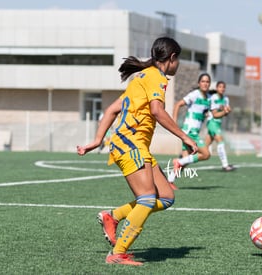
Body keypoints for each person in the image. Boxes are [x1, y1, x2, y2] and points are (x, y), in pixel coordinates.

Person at [77, 37, 198, 266]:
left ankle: (112, 216)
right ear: (172, 58)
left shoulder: (141, 78)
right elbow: (157, 111)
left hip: (133, 145)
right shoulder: (157, 78)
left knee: (166, 197)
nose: (178, 64)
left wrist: (96, 140)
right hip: (130, 144)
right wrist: (184, 136)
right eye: (178, 59)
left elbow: (112, 110)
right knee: (146, 199)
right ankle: (117, 253)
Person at [168, 73, 212, 187]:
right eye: (203, 81)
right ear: (199, 83)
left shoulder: (209, 99)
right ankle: (178, 162)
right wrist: (174, 121)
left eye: (207, 81)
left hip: (193, 132)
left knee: (186, 160)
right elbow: (178, 104)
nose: (205, 83)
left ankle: (170, 181)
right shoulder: (195, 94)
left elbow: (209, 112)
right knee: (206, 154)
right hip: (190, 131)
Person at [205, 81, 235, 171]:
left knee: (204, 147)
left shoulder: (226, 99)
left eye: (223, 87)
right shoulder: (214, 98)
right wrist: (224, 111)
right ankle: (225, 165)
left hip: (218, 123)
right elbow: (214, 114)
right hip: (212, 122)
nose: (222, 88)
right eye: (220, 87)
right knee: (220, 141)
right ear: (217, 88)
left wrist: (228, 111)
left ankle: (185, 157)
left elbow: (224, 113)